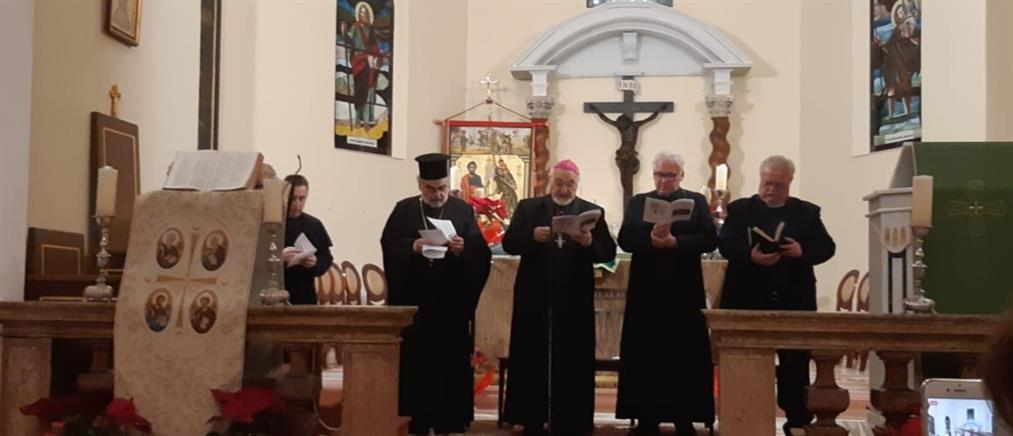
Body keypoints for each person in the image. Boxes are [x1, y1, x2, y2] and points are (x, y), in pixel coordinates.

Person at [718, 155, 836, 436]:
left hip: (793, 297)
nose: (771, 189)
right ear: (760, 179)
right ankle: (744, 418)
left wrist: (801, 251)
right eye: (767, 183)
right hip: (747, 297)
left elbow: (827, 248)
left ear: (789, 183)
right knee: (746, 361)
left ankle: (796, 420)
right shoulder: (741, 210)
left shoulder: (806, 213)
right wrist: (750, 255)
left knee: (795, 363)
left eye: (778, 185)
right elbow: (724, 244)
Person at [501, 159, 617, 436]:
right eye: (559, 183)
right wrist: (532, 236)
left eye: (570, 184)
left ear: (578, 185)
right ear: (551, 181)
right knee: (532, 355)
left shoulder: (591, 212)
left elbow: (608, 252)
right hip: (535, 295)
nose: (564, 189)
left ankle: (573, 420)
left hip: (574, 298)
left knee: (573, 357)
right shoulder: (529, 208)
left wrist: (589, 242)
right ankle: (530, 417)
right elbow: (509, 243)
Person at [381, 153, 491, 436]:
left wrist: (463, 249)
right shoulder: (404, 210)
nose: (437, 194)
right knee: (416, 363)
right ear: (420, 185)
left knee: (449, 362)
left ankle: (449, 420)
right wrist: (413, 247)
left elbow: (480, 252)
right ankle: (416, 418)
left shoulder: (462, 210)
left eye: (442, 187)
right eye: (430, 188)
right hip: (415, 302)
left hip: (450, 303)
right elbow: (389, 244)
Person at [615, 152, 716, 436]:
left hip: (684, 291)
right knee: (645, 353)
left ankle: (685, 418)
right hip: (646, 291)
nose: (664, 180)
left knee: (685, 353)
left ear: (681, 176)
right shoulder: (639, 202)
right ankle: (646, 418)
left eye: (670, 175)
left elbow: (709, 239)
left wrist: (676, 242)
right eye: (659, 174)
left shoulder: (696, 202)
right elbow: (625, 239)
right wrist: (649, 238)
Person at [282, 174, 334, 305]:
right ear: (283, 196)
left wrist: (315, 263)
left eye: (302, 198)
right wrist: (279, 258)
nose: (297, 204)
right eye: (293, 198)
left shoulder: (313, 224)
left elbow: (326, 258)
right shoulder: (272, 223)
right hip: (276, 292)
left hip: (304, 295)